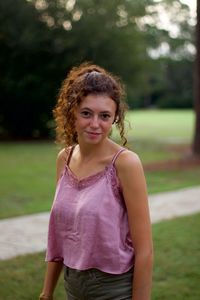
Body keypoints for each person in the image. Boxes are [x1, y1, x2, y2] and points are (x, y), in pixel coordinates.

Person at [39, 63, 153, 300]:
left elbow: (145, 251)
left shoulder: (125, 164)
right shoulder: (65, 159)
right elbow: (61, 234)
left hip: (114, 289)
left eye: (104, 116)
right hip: (73, 286)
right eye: (86, 113)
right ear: (73, 112)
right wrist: (47, 291)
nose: (94, 124)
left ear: (115, 118)